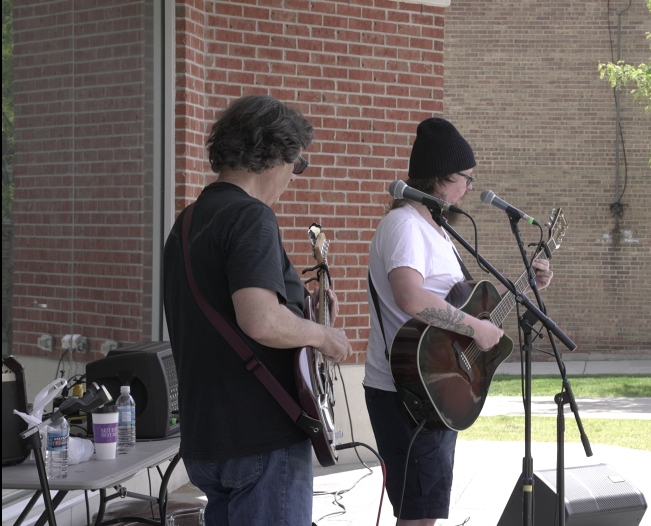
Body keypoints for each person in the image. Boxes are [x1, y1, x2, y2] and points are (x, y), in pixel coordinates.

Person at [163, 94, 352, 526]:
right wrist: (323, 336)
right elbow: (259, 320)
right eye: (298, 164)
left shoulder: (189, 220)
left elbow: (223, 313)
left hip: (207, 439)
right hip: (260, 439)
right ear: (274, 155)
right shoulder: (252, 217)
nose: (294, 176)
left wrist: (304, 312)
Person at [364, 117, 552, 525]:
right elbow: (410, 296)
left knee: (424, 514)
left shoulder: (438, 230)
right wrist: (475, 329)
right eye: (465, 177)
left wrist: (526, 284)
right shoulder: (405, 225)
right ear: (439, 178)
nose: (470, 186)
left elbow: (462, 307)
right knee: (417, 517)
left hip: (436, 384)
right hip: (406, 391)